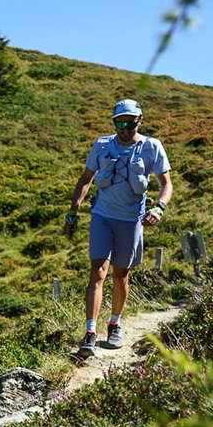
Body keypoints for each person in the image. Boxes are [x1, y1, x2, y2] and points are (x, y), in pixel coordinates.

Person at [63, 99, 173, 358]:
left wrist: (158, 208)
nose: (124, 128)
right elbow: (85, 180)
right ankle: (90, 332)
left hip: (131, 220)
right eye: (119, 123)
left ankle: (114, 323)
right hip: (102, 216)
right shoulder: (102, 145)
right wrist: (72, 213)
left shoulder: (152, 147)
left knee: (121, 275)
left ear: (140, 120)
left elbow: (166, 184)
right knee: (97, 272)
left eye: (129, 123)